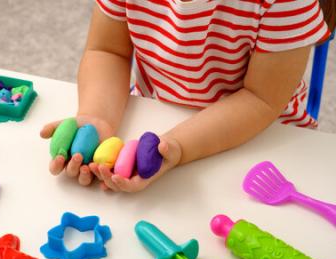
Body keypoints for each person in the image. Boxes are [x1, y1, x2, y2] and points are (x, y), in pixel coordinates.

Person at [41, 0, 335, 192]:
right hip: (161, 114)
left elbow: (260, 100)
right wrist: (97, 116)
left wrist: (178, 147)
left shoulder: (286, 3)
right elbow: (108, 51)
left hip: (266, 139)